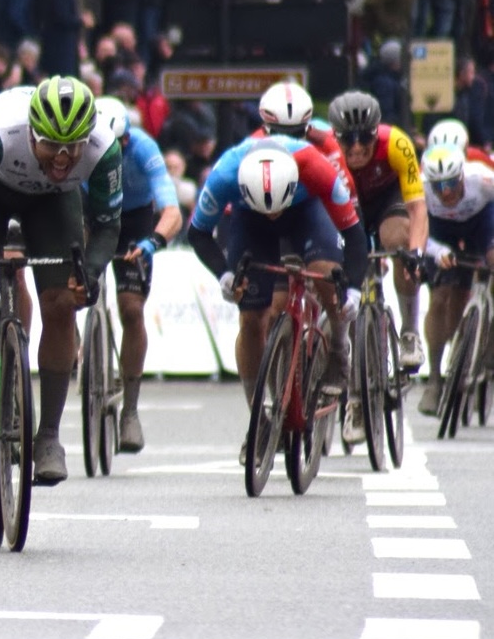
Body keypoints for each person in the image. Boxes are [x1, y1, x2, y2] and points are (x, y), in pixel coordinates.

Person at [0, 79, 123, 484]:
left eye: (73, 148)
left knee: (62, 303)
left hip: (53, 202)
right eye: (51, 146)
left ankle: (48, 436)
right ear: (31, 132)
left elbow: (107, 226)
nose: (63, 159)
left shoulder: (104, 150)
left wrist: (93, 273)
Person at [186, 139, 365, 432]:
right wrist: (225, 276)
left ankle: (337, 345)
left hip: (305, 211)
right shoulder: (225, 175)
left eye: (276, 209)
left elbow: (354, 235)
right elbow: (198, 234)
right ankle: (258, 421)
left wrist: (354, 290)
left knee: (327, 275)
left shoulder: (316, 167)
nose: (273, 214)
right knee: (251, 319)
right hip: (250, 219)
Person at [94, 98, 183, 453]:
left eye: (122, 144)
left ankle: (129, 409)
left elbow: (171, 209)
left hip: (133, 220)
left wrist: (154, 240)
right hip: (92, 214)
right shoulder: (79, 149)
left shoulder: (145, 148)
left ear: (129, 139)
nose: (117, 151)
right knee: (64, 287)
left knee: (131, 309)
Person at [328, 91, 428, 389]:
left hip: (388, 200)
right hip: (348, 204)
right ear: (336, 137)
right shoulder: (325, 152)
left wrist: (416, 252)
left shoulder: (396, 143)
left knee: (397, 239)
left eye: (365, 138)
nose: (357, 147)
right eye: (348, 139)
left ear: (376, 133)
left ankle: (409, 332)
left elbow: (417, 207)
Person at [416, 147, 494, 415]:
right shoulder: (421, 188)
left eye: (451, 183)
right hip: (439, 233)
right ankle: (435, 380)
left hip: (481, 221)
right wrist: (438, 252)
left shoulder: (482, 179)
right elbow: (414, 229)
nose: (446, 192)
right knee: (440, 296)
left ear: (462, 175)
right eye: (438, 186)